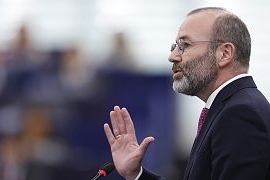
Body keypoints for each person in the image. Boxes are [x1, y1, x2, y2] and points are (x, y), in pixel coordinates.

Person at [103, 7, 270, 180]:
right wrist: (136, 174)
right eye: (175, 46)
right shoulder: (230, 107)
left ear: (225, 53)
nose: (172, 56)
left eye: (185, 45)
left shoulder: (240, 114)